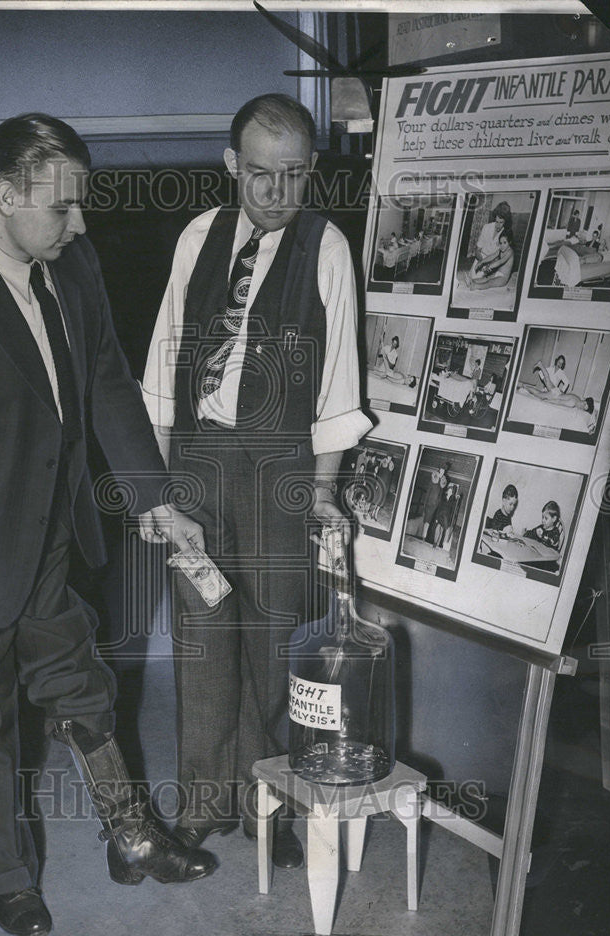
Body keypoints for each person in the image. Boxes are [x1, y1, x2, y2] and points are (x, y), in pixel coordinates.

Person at [0, 113, 218, 936]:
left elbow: (104, 381)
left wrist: (153, 496)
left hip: (50, 542)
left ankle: (130, 836)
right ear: (5, 194)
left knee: (85, 691)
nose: (81, 223)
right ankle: (5, 881)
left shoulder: (73, 261)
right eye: (62, 208)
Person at [141, 93, 372, 868]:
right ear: (232, 165)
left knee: (277, 638)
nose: (277, 193)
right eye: (261, 175)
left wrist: (322, 488)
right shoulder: (197, 236)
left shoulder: (327, 248)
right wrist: (158, 487)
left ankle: (272, 803)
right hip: (197, 459)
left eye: (295, 175)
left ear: (311, 172)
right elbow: (159, 371)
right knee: (203, 635)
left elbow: (340, 384)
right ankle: (204, 801)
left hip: (282, 465)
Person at [421, 467, 447, 540]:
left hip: (436, 505)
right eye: (441, 471)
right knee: (427, 520)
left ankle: (424, 536)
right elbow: (428, 491)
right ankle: (424, 535)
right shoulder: (434, 480)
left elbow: (440, 495)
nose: (442, 473)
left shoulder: (442, 483)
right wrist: (425, 502)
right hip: (430, 503)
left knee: (429, 520)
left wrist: (438, 504)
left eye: (443, 472)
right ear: (439, 471)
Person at [370, 454, 395, 522]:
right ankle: (372, 513)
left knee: (381, 502)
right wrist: (377, 484)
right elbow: (379, 476)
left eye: (390, 458)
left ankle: (375, 514)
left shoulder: (391, 468)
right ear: (386, 458)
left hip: (385, 487)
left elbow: (390, 479)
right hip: (380, 485)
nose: (389, 459)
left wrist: (388, 489)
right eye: (388, 458)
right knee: (377, 499)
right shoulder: (383, 466)